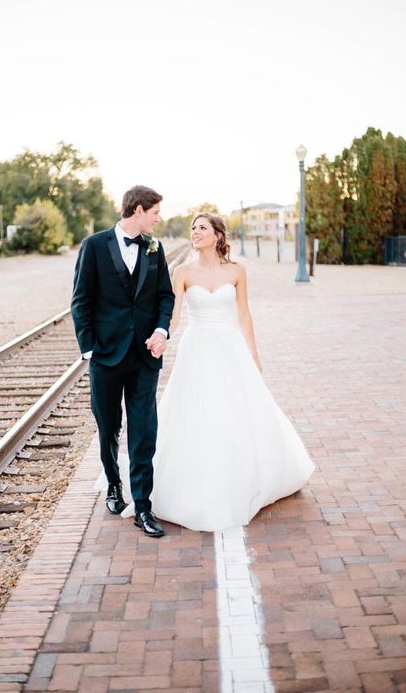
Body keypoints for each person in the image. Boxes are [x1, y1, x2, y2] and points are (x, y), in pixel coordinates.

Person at [119, 212, 315, 531]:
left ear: (217, 235)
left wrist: (254, 355)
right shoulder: (182, 272)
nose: (195, 232)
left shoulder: (237, 271)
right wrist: (160, 335)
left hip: (230, 348)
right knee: (197, 412)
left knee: (237, 410)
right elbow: (172, 315)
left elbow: (245, 316)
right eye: (193, 228)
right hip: (197, 348)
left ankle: (243, 476)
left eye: (202, 228)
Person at [71, 185, 175, 537]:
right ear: (139, 210)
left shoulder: (154, 249)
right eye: (156, 212)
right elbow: (81, 301)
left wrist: (162, 330)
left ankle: (142, 507)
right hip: (106, 356)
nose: (159, 218)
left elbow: (165, 296)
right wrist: (90, 349)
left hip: (145, 356)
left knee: (144, 430)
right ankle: (114, 484)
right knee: (108, 425)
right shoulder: (94, 246)